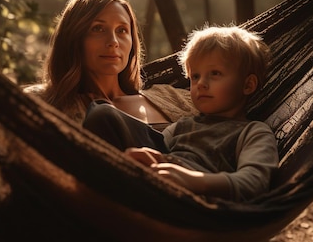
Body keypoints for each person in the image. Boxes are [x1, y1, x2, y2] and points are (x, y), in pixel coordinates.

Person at [84, 25, 279, 202]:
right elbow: (159, 151)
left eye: (215, 73)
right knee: (102, 113)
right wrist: (154, 158)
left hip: (192, 205)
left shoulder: (253, 132)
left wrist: (192, 180)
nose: (201, 83)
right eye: (195, 76)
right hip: (153, 183)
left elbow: (253, 183)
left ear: (247, 85)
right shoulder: (183, 125)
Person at [23, 0, 197, 150]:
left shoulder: (173, 96)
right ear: (74, 38)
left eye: (122, 30)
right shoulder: (42, 103)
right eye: (98, 29)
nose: (113, 42)